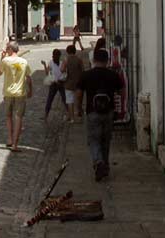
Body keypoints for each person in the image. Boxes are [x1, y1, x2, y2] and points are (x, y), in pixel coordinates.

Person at [76, 49, 124, 182]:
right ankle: (105, 165)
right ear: (107, 61)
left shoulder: (86, 75)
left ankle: (98, 162)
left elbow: (79, 94)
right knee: (106, 140)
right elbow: (121, 91)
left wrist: (78, 109)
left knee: (93, 139)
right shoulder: (113, 75)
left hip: (92, 112)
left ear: (94, 60)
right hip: (109, 112)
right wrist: (120, 107)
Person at [0, 41, 33, 151]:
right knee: (18, 117)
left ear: (10, 49)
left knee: (8, 116)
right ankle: (15, 144)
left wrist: (1, 58)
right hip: (20, 93)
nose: (6, 50)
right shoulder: (24, 62)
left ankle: (10, 138)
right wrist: (30, 90)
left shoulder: (5, 61)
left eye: (7, 48)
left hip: (8, 93)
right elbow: (29, 78)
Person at [41, 49, 66, 123]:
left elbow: (47, 73)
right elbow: (47, 73)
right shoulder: (54, 63)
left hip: (59, 83)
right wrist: (45, 65)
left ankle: (46, 116)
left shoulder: (58, 63)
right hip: (56, 83)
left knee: (62, 99)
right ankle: (46, 115)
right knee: (52, 99)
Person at [61, 45, 84, 123]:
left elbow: (62, 70)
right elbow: (83, 70)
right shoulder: (79, 59)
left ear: (67, 51)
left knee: (70, 101)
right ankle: (79, 116)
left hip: (68, 83)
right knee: (78, 100)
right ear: (75, 51)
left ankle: (72, 118)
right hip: (78, 83)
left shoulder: (66, 59)